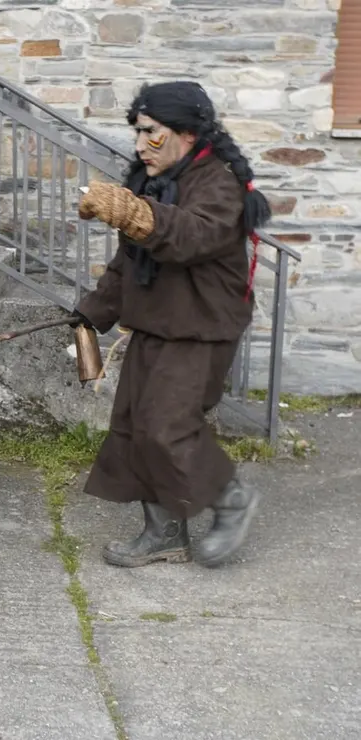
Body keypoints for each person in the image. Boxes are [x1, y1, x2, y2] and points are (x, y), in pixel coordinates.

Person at [72, 81, 271, 569]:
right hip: (156, 323)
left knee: (166, 428)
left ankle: (231, 499)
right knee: (136, 429)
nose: (140, 146)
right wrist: (92, 313)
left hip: (201, 329)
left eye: (150, 133)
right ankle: (164, 534)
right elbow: (127, 262)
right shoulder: (154, 181)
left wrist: (134, 212)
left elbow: (189, 237)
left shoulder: (217, 183)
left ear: (186, 133)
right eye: (138, 134)